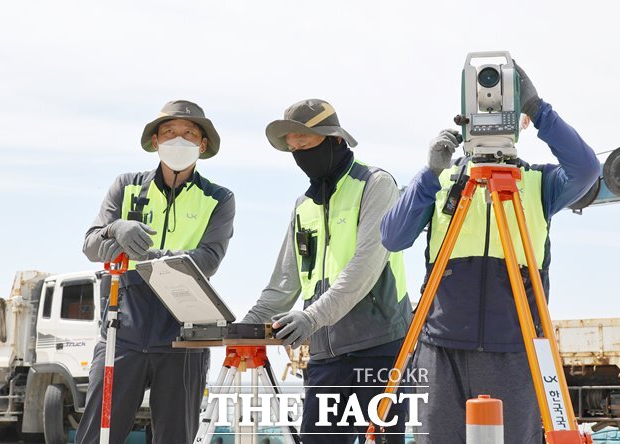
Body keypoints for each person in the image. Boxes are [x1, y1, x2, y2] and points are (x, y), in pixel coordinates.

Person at [380, 65, 600, 443]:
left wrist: (538, 108)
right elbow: (393, 237)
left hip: (515, 352)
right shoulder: (442, 183)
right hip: (441, 349)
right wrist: (429, 173)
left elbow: (587, 169)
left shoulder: (539, 183)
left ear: (520, 124)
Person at [241, 99, 412, 444]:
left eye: (305, 145)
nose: (299, 155)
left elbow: (364, 267)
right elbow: (284, 284)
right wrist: (244, 326)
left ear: (335, 140)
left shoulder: (377, 185)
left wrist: (310, 318)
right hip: (324, 358)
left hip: (379, 350)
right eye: (293, 148)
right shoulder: (303, 206)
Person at [76, 100, 236, 444]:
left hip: (185, 332)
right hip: (122, 329)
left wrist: (145, 255)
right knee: (97, 436)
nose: (178, 139)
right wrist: (114, 229)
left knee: (175, 437)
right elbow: (91, 245)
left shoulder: (219, 199)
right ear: (155, 141)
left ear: (202, 144)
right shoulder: (126, 185)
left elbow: (208, 260)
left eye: (189, 133)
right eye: (169, 132)